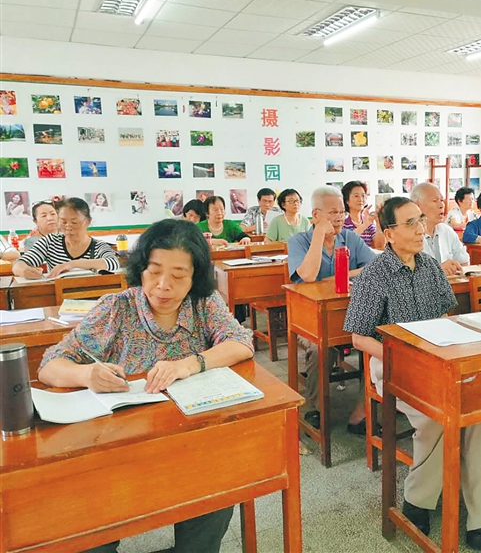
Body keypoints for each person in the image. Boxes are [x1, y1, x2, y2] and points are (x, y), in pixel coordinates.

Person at [38, 219, 254, 553]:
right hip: (118, 453)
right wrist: (86, 376)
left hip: (191, 444)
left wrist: (189, 363)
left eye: (179, 275)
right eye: (154, 272)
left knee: (216, 493)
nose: (164, 286)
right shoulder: (116, 308)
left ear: (195, 276)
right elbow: (50, 365)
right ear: (140, 269)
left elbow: (241, 342)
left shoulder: (204, 304)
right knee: (88, 534)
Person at [344, 197, 481, 552]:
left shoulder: (431, 266)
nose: (421, 229)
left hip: (439, 357)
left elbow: (446, 318)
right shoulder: (375, 274)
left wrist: (457, 343)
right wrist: (411, 355)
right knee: (437, 419)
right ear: (388, 234)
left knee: (476, 413)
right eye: (410, 224)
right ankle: (417, 500)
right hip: (392, 364)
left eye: (421, 221)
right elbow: (359, 337)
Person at [287, 186, 376, 433]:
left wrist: (341, 275)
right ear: (316, 215)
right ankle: (315, 407)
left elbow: (372, 268)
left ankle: (365, 407)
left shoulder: (350, 238)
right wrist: (318, 236)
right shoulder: (298, 241)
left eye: (341, 212)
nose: (339, 217)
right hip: (309, 318)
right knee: (317, 348)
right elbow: (306, 276)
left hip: (350, 313)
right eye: (332, 213)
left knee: (377, 340)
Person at [12, 197, 120, 279]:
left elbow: (113, 263)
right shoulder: (50, 241)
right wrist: (24, 270)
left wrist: (71, 265)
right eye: (63, 222)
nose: (68, 227)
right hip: (59, 301)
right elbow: (18, 264)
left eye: (74, 222)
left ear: (88, 222)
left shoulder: (98, 246)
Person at [410, 182, 469, 275]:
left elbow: (464, 262)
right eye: (434, 200)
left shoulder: (447, 231)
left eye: (442, 200)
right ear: (417, 205)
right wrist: (438, 271)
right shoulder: (407, 235)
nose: (441, 205)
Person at [341, 180, 385, 249]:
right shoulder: (342, 224)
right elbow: (347, 242)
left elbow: (380, 246)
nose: (361, 199)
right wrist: (365, 224)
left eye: (363, 196)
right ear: (347, 200)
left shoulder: (370, 223)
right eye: (356, 196)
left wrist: (379, 223)